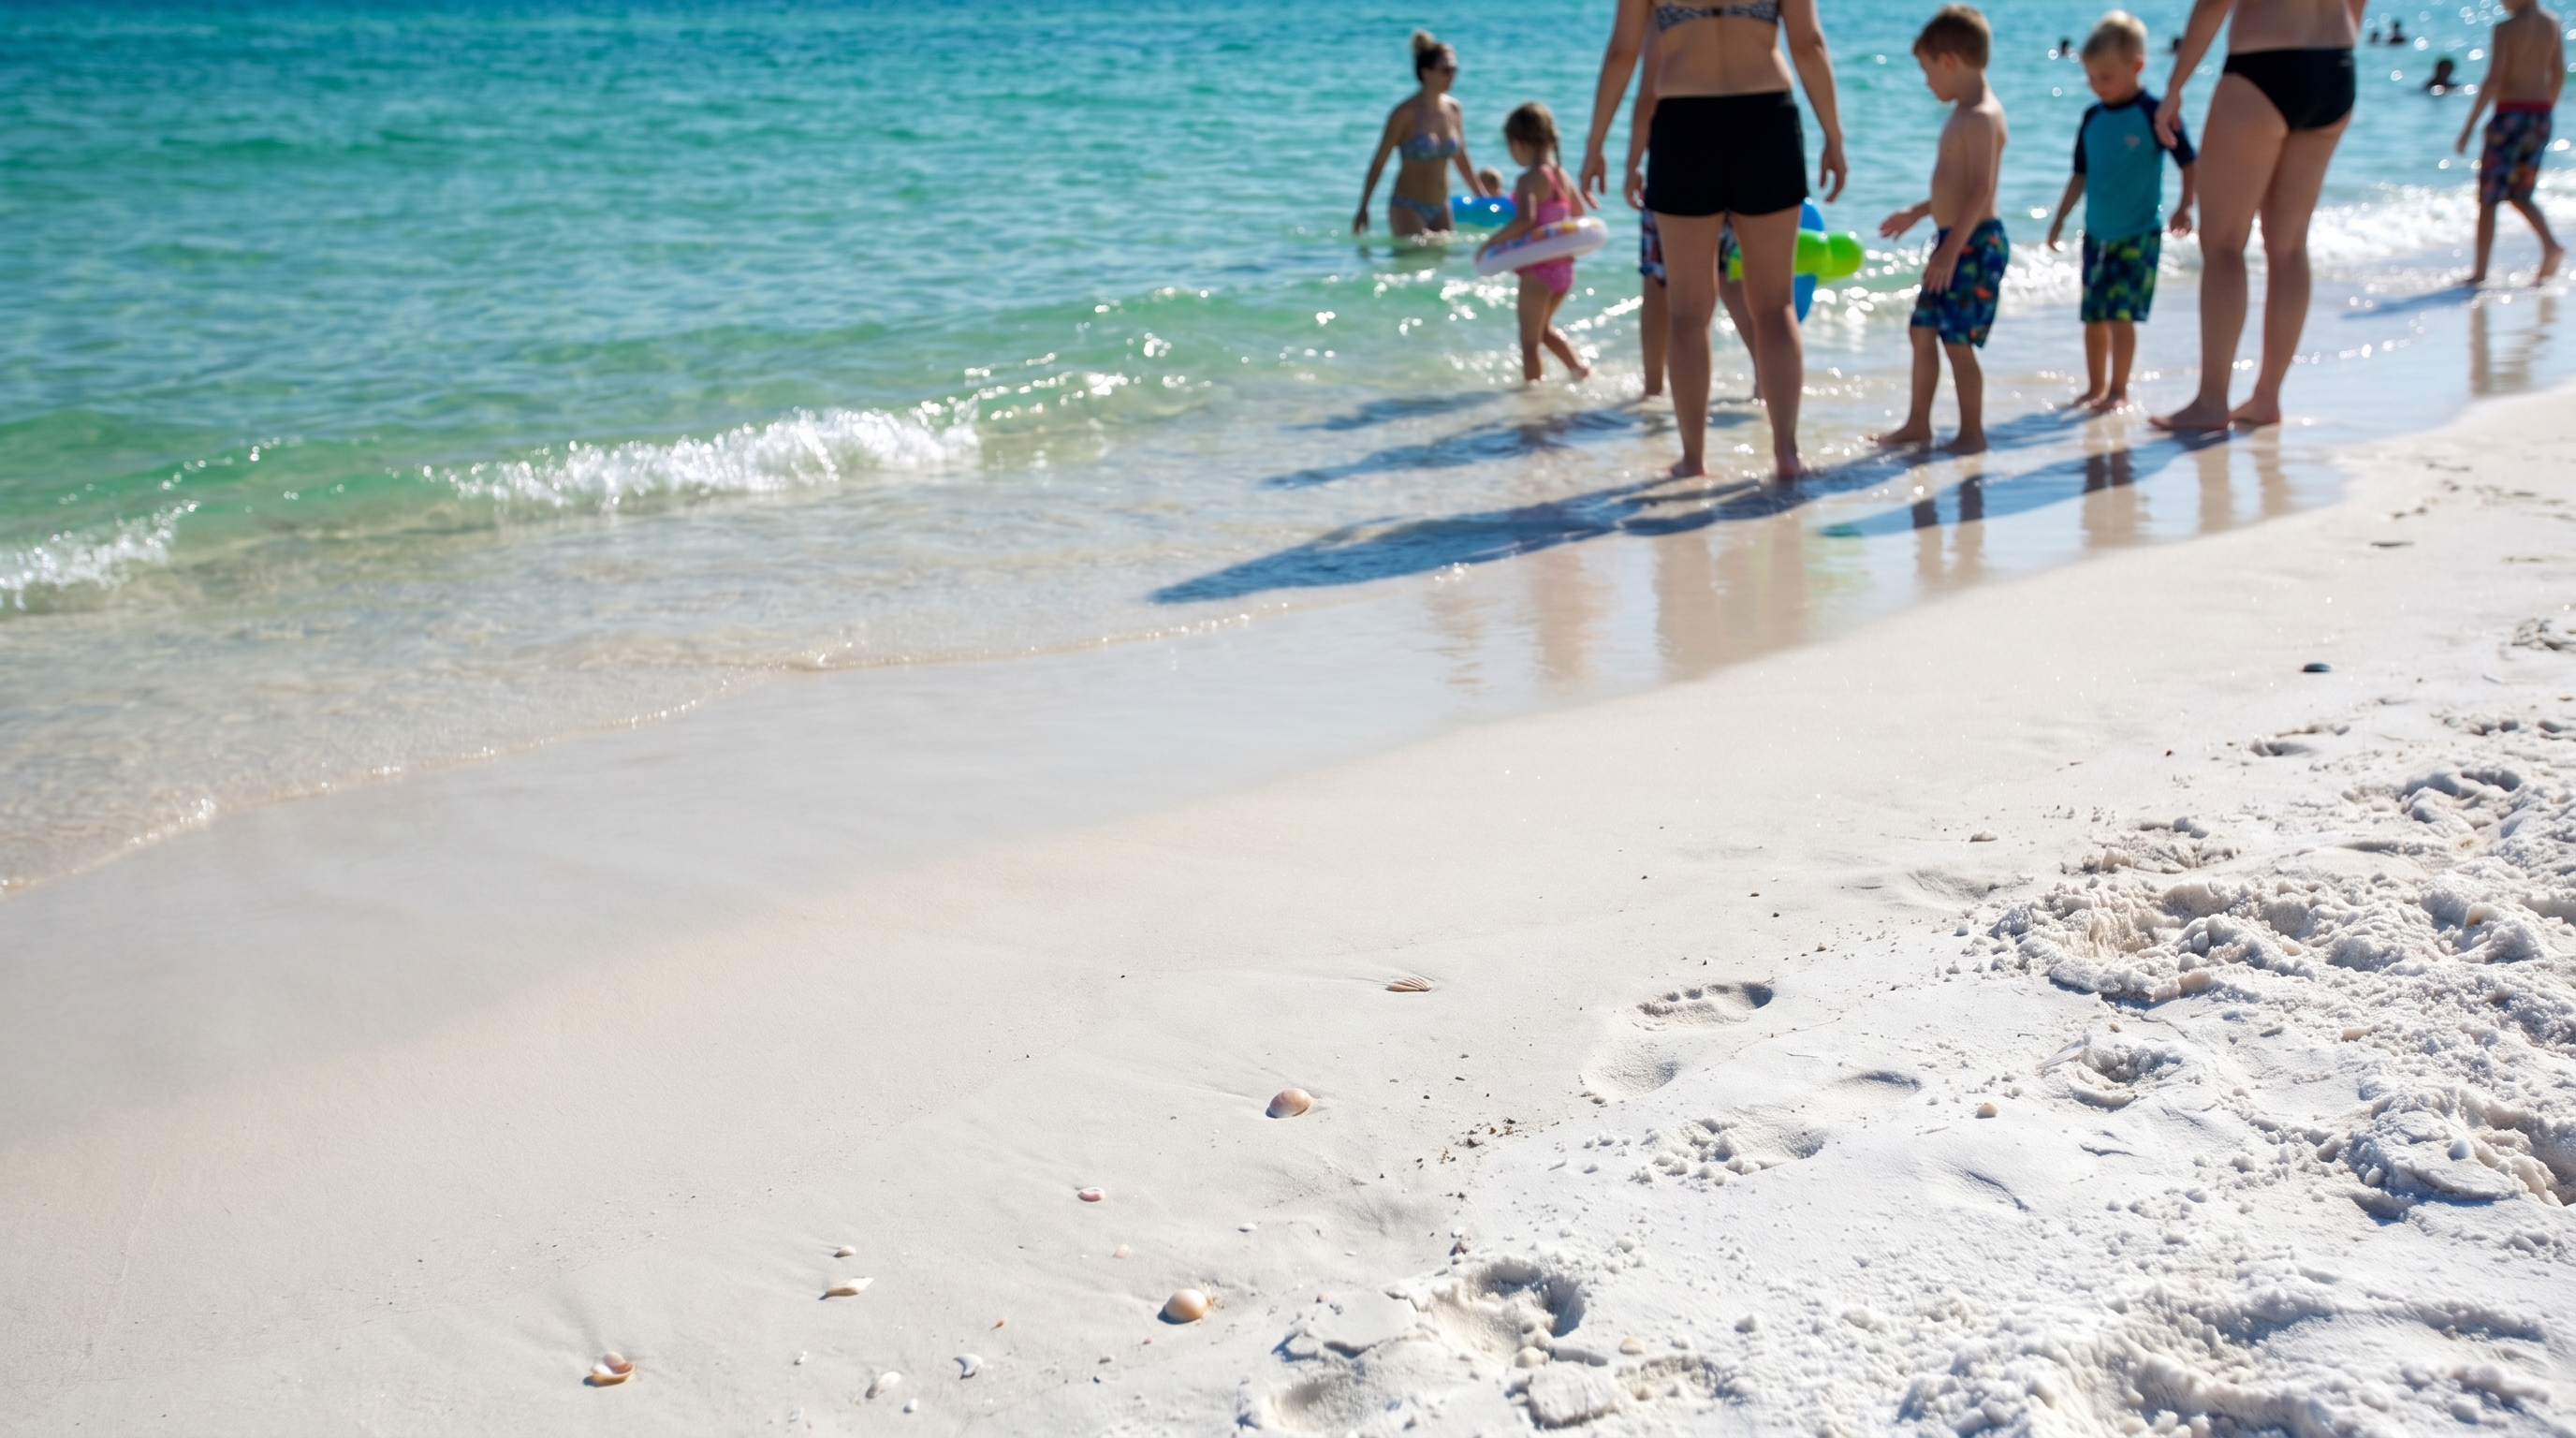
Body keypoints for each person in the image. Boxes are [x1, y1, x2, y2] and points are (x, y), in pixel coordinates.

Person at [1578, 0, 1851, 480]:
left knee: (1687, 312)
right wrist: (1834, 135)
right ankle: (1786, 452)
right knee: (1775, 306)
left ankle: (1694, 458)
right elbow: (1808, 44)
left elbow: (1623, 53)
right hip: (1766, 117)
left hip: (1685, 123)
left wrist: (1596, 145)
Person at [2146, 0, 2362, 432]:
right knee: (2289, 245)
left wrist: (2174, 87)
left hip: (2264, 68)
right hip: (2336, 67)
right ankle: (2266, 398)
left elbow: (2213, 4)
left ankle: (2211, 402)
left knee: (2224, 244)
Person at [2045, 10, 2200, 410]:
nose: (2098, 87)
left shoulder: (2154, 113)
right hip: (2096, 233)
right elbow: (2079, 174)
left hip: (2137, 233)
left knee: (2120, 315)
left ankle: (2119, 390)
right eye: (2091, 78)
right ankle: (2095, 387)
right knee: (2093, 316)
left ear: (2137, 66)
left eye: (2106, 77)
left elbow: (2188, 160)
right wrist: (2060, 219)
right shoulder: (2092, 117)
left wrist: (2185, 205)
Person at [1877, 6, 2011, 454]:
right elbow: (1953, 190)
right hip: (1953, 240)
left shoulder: (1982, 117)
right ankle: (1918, 423)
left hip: (1974, 244)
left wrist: (1951, 251)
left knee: (1957, 341)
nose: (1926, 81)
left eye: (1927, 69)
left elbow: (1980, 191)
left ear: (1949, 60)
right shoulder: (1963, 112)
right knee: (1921, 330)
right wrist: (1918, 213)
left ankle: (1972, 433)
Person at [1626, 28, 1764, 401]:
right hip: (1740, 152)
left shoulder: (1666, 13)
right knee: (1732, 274)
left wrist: (1633, 161)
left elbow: (1648, 97)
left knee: (1660, 281)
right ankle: (1764, 382)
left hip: (1679, 158)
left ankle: (1653, 390)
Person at [1476, 103, 1595, 383]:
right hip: (1563, 271)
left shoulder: (1528, 179)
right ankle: (1578, 369)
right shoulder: (1561, 176)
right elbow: (1578, 216)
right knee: (1543, 331)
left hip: (1538, 273)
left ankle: (1532, 395)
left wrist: (1490, 244)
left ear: (1518, 144)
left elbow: (1524, 221)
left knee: (1529, 343)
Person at [2455, 0, 2565, 283]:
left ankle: (2480, 272)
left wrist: (2469, 126)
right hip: (2541, 116)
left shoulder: (2506, 28)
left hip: (2509, 116)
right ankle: (2551, 246)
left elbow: (2494, 79)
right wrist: (2545, 111)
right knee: (2520, 192)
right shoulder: (2552, 22)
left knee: (2489, 198)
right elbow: (2558, 75)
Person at [1354, 31, 1492, 238]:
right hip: (1407, 205)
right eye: (1446, 70)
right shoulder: (1404, 113)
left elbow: (1461, 157)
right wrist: (1363, 207)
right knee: (1414, 263)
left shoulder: (1454, 109)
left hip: (1441, 205)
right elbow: (1379, 160)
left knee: (1445, 266)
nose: (1452, 75)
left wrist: (1482, 196)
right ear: (1426, 72)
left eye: (1454, 69)